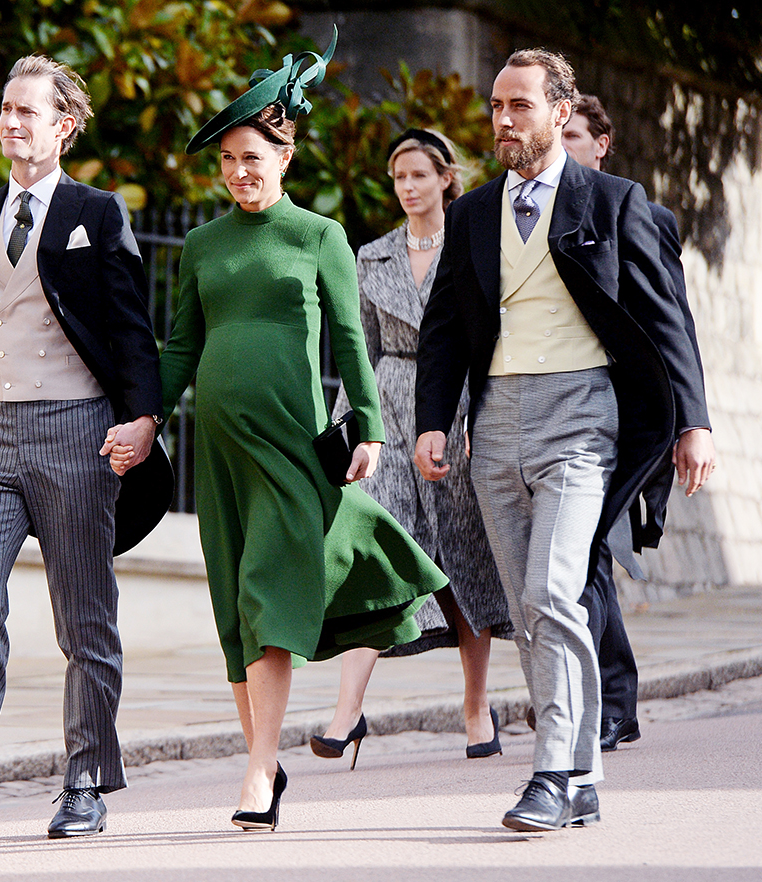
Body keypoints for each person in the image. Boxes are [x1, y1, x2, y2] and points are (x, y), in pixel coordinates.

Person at [119, 29, 448, 832]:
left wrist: (366, 425)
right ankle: (264, 757)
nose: (239, 171)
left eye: (253, 157)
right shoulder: (202, 244)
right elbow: (183, 346)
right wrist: (145, 418)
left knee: (267, 593)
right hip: (219, 456)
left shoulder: (318, 238)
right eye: (228, 158)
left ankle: (258, 769)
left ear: (285, 157)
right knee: (236, 609)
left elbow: (348, 338)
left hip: (294, 447)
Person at [414, 49, 714, 832]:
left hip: (583, 414)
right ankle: (579, 776)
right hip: (496, 419)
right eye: (494, 107)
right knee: (525, 602)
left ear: (558, 109)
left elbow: (663, 316)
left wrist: (694, 422)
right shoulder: (474, 211)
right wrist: (431, 421)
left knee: (555, 587)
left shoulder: (612, 201)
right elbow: (445, 325)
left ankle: (555, 768)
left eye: (519, 105)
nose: (503, 119)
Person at [0, 55, 169, 844]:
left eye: (28, 112)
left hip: (75, 435)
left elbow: (130, 332)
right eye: (6, 110)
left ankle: (85, 782)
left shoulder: (98, 211)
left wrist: (143, 419)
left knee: (84, 618)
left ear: (65, 126)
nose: (12, 123)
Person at [309, 129, 513, 768]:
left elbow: (490, 339)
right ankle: (345, 715)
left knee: (463, 559)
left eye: (418, 175)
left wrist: (487, 416)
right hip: (388, 416)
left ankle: (477, 707)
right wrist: (349, 432)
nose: (407, 188)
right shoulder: (371, 257)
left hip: (454, 411)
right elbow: (360, 352)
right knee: (379, 559)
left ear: (445, 178)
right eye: (398, 177)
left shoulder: (479, 243)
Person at [561, 93, 706, 752]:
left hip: (630, 417)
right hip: (557, 412)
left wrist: (691, 423)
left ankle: (607, 700)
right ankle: (608, 697)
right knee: (580, 552)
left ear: (602, 145)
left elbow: (672, 319)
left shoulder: (642, 214)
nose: (561, 149)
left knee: (587, 545)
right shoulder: (522, 217)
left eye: (574, 138)